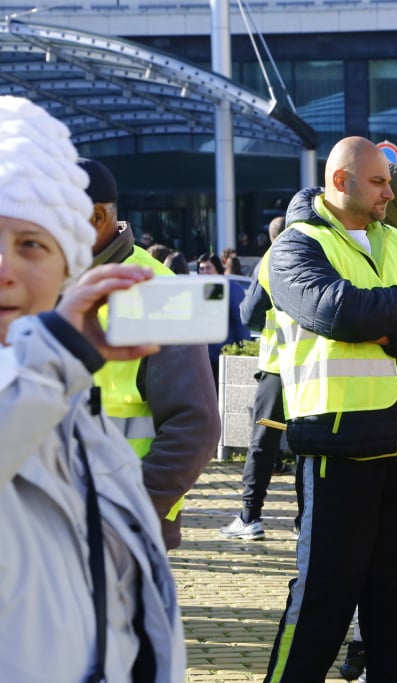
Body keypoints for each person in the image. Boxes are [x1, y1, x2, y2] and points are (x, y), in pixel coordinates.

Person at [261, 136, 397, 683]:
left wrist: (389, 332)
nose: (389, 192)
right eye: (378, 182)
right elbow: (337, 311)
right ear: (341, 181)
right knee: (321, 603)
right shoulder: (295, 247)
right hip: (337, 448)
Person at [0, 94, 185, 683]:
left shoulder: (83, 424)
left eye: (31, 245)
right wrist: (57, 353)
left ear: (66, 268)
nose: (4, 268)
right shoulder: (55, 375)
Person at [78, 157, 219, 550]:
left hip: (119, 532)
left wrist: (128, 510)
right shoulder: (49, 281)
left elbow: (197, 427)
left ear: (96, 218)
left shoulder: (162, 290)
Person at [220, 215, 299, 542]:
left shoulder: (272, 258)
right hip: (316, 372)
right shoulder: (327, 251)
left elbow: (250, 313)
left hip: (277, 367)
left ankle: (250, 516)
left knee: (262, 443)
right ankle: (303, 522)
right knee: (309, 448)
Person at [196, 250, 250, 385]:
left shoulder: (230, 288)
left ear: (218, 270)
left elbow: (240, 321)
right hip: (202, 358)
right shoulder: (196, 290)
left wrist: (242, 351)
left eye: (208, 268)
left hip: (224, 356)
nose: (204, 272)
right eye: (201, 269)